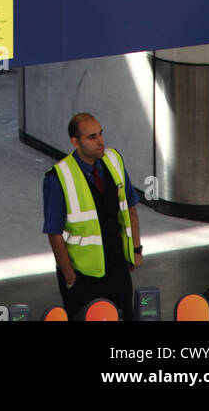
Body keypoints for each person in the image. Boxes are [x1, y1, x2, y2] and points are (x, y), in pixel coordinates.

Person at [42, 113, 142, 320]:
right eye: (92, 137)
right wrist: (70, 279)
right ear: (75, 142)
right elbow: (54, 233)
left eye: (101, 134)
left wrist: (135, 249)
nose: (100, 142)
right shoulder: (59, 177)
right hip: (83, 278)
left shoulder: (113, 160)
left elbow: (130, 206)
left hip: (117, 268)